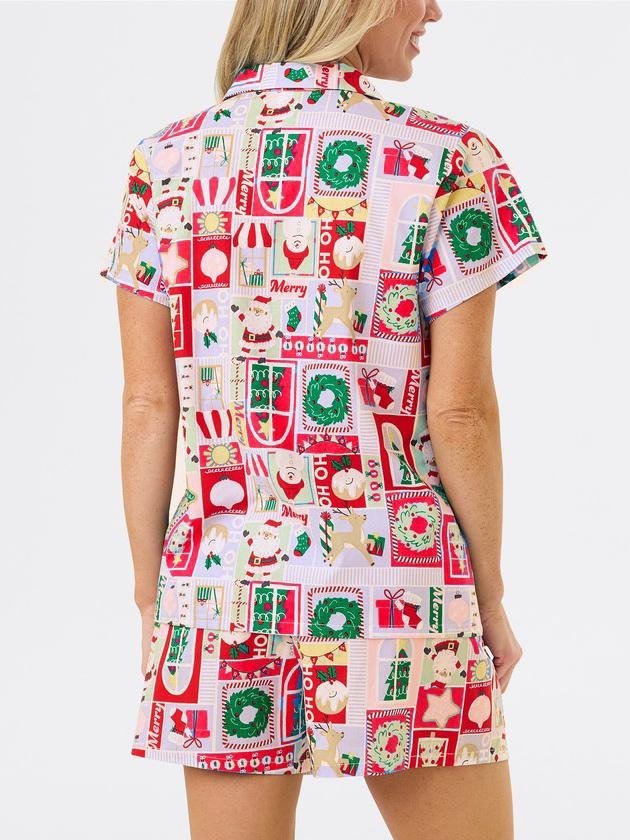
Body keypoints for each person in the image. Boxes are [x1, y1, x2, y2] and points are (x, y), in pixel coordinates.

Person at [98, 0, 548, 837]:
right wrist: (488, 597)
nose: (435, 9)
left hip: (220, 592)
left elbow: (147, 404)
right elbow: (460, 412)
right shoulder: (447, 159)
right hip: (401, 590)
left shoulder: (163, 163)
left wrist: (152, 596)